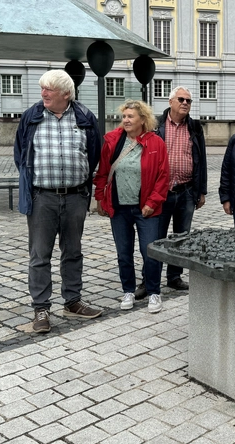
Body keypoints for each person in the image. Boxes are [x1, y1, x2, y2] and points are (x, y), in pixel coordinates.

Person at [13, 69, 103, 333]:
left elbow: (93, 154)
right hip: (42, 197)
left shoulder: (85, 117)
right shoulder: (32, 116)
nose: (43, 94)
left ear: (66, 93)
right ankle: (41, 308)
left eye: (49, 89)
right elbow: (21, 154)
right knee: (40, 254)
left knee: (73, 251)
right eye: (42, 89)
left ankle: (72, 301)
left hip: (75, 196)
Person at [94, 100, 169, 314]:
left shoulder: (156, 143)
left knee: (150, 252)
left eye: (130, 116)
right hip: (119, 209)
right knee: (123, 253)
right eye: (124, 116)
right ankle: (128, 290)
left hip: (146, 209)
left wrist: (151, 203)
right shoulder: (113, 141)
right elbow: (102, 173)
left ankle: (154, 292)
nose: (125, 120)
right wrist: (101, 198)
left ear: (142, 120)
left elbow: (163, 178)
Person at [135, 86, 207, 299]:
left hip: (185, 190)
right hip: (160, 192)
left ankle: (174, 277)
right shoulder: (155, 124)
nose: (185, 103)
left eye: (189, 101)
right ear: (170, 102)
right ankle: (148, 280)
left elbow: (200, 158)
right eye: (181, 99)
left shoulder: (194, 126)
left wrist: (201, 190)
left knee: (181, 238)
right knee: (155, 239)